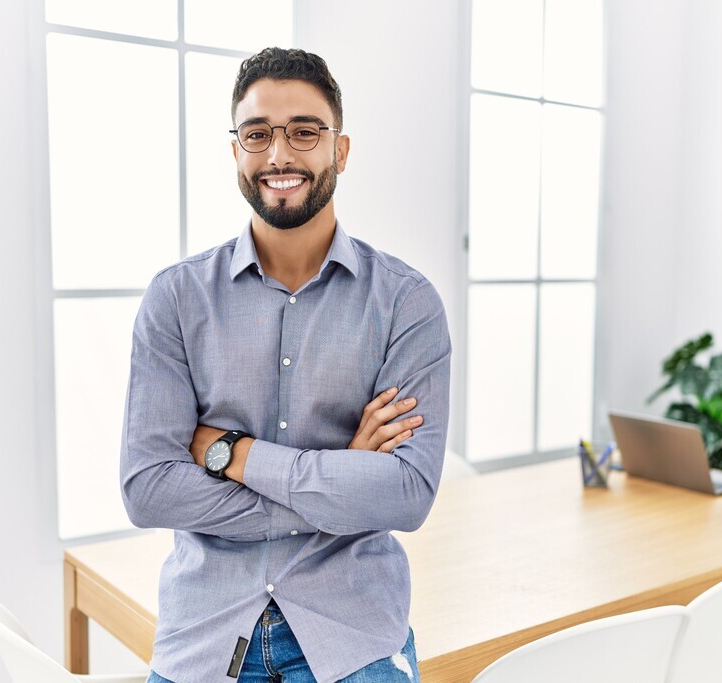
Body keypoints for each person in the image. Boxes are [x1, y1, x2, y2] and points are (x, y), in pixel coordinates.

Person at [120, 46, 452, 683]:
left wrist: (236, 456)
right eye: (258, 134)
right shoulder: (176, 298)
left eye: (305, 132)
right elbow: (147, 489)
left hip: (354, 632)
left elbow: (407, 496)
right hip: (205, 633)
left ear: (341, 150)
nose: (279, 155)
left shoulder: (408, 303)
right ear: (237, 150)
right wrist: (341, 483)